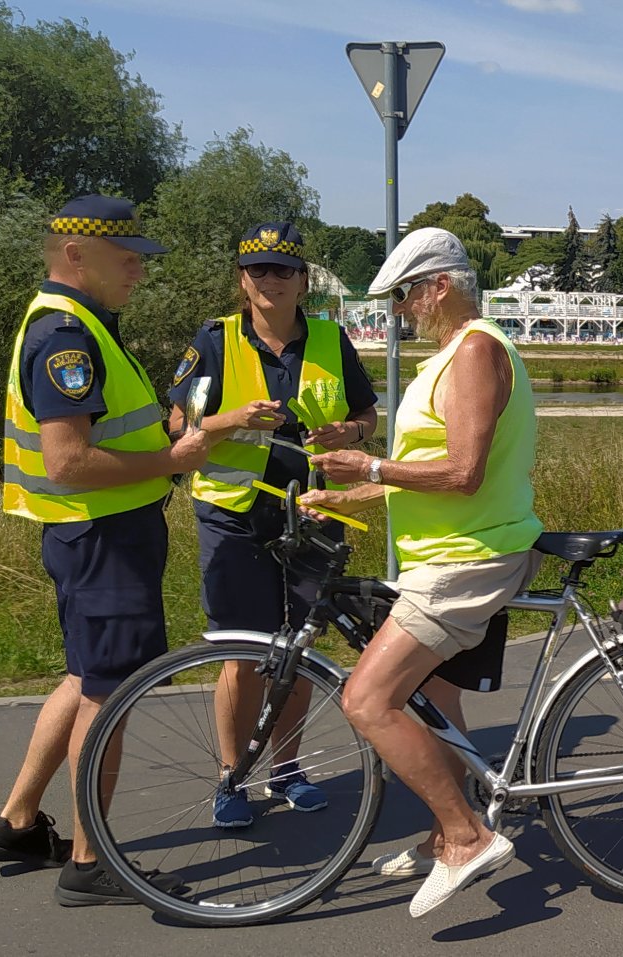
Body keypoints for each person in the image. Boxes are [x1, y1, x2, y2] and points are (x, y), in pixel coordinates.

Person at [0, 195, 221, 906]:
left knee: (87, 677)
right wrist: (177, 456)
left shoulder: (75, 324)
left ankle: (18, 819)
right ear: (76, 255)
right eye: (129, 257)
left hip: (92, 536)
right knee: (110, 694)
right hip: (103, 535)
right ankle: (91, 857)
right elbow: (70, 461)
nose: (139, 271)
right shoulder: (66, 338)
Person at [299, 227, 543, 918]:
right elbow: (427, 474)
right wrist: (347, 495)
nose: (400, 309)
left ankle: (468, 836)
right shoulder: (452, 354)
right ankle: (447, 826)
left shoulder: (474, 352)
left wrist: (369, 465)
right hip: (450, 555)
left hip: (469, 559)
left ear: (439, 286)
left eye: (405, 294)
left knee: (367, 698)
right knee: (436, 697)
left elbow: (462, 473)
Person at [164, 222, 378, 828]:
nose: (270, 280)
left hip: (312, 509)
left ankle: (287, 769)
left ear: (303, 281)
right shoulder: (213, 341)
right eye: (258, 269)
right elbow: (178, 428)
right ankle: (232, 778)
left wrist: (351, 433)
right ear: (242, 279)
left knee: (297, 646)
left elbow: (365, 413)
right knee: (242, 651)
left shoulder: (333, 340)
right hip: (233, 515)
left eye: (283, 269)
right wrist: (231, 420)